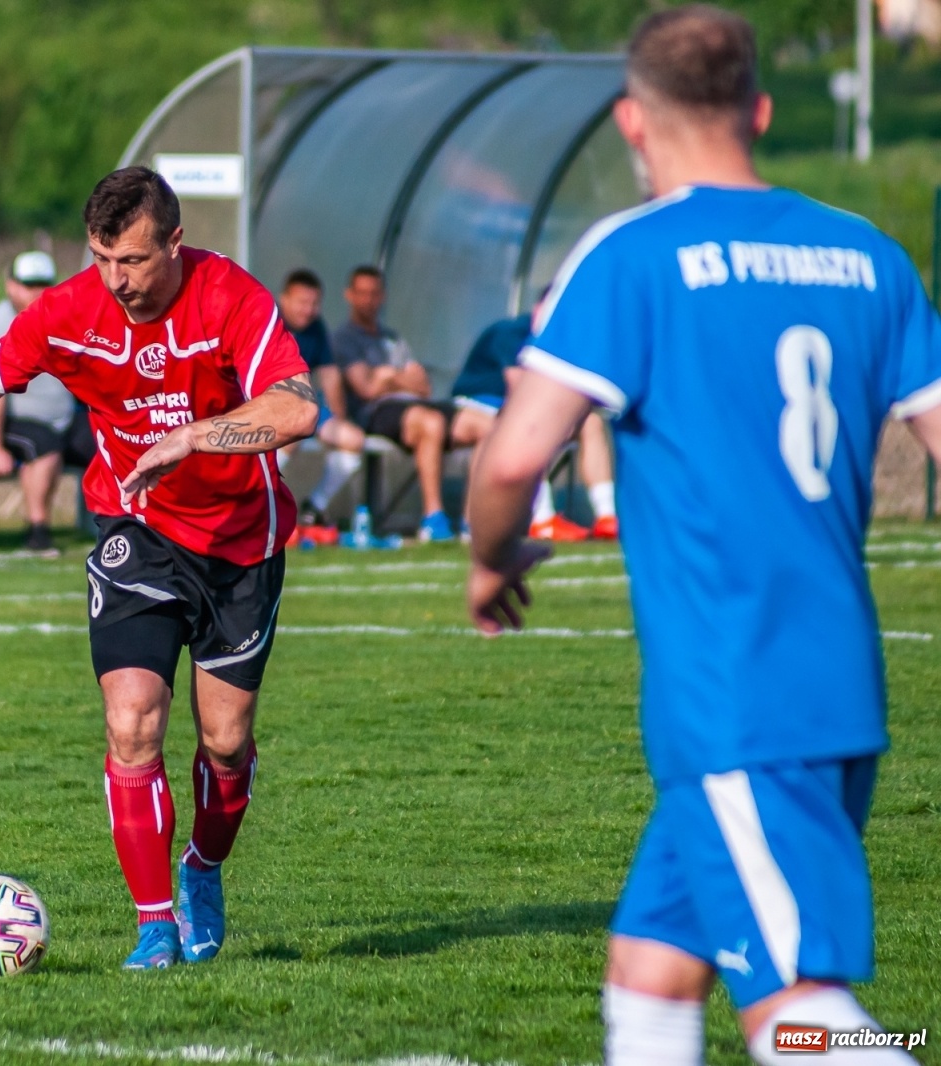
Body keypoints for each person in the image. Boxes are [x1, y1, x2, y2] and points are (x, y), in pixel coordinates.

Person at [466, 8, 941, 1065]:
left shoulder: (632, 254)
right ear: (761, 110)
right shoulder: (866, 253)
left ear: (632, 122)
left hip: (733, 694)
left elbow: (509, 458)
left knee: (794, 1012)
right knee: (650, 967)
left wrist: (491, 556)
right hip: (840, 680)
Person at [0, 167, 317, 969]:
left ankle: (203, 868)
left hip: (241, 544)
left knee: (225, 745)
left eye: (132, 261)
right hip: (138, 533)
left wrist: (195, 436)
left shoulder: (229, 297)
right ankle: (154, 926)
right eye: (100, 258)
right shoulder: (68, 312)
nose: (115, 280)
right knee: (132, 723)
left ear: (175, 244)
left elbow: (298, 406)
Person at [450, 303, 618, 541]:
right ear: (539, 308)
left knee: (590, 421)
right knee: (532, 424)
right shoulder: (510, 332)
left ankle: (606, 515)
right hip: (479, 407)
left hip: (520, 412)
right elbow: (517, 387)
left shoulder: (563, 339)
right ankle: (543, 519)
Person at [0, 250, 96, 552]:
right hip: (14, 420)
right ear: (10, 286)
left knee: (113, 441)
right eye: (29, 284)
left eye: (43, 284)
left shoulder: (63, 317)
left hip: (63, 417)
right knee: (45, 447)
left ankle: (118, 524)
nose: (37, 292)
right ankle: (38, 529)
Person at [333, 266, 455, 541]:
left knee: (478, 425)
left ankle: (480, 521)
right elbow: (366, 388)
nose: (368, 300)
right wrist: (397, 379)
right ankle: (434, 517)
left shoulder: (392, 339)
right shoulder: (344, 339)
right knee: (431, 423)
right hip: (376, 414)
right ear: (349, 295)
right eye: (361, 293)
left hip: (414, 407)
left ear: (382, 296)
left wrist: (388, 377)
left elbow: (424, 386)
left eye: (374, 293)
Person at [275, 269, 364, 532]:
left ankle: (314, 508)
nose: (308, 310)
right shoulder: (268, 321)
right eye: (302, 302)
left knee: (353, 439)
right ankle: (254, 500)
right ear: (285, 299)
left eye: (314, 304)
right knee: (293, 432)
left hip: (304, 407)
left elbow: (330, 375)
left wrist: (337, 417)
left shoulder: (317, 328)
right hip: (269, 406)